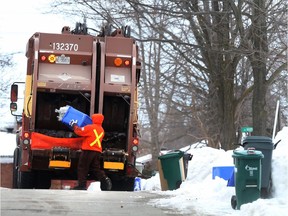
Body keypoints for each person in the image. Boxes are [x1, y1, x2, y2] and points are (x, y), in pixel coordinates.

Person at [70, 113, 112, 190]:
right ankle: (105, 180)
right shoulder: (102, 130)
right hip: (97, 151)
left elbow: (79, 132)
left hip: (88, 150)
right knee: (95, 168)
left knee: (83, 167)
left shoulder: (90, 128)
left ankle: (82, 185)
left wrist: (74, 125)